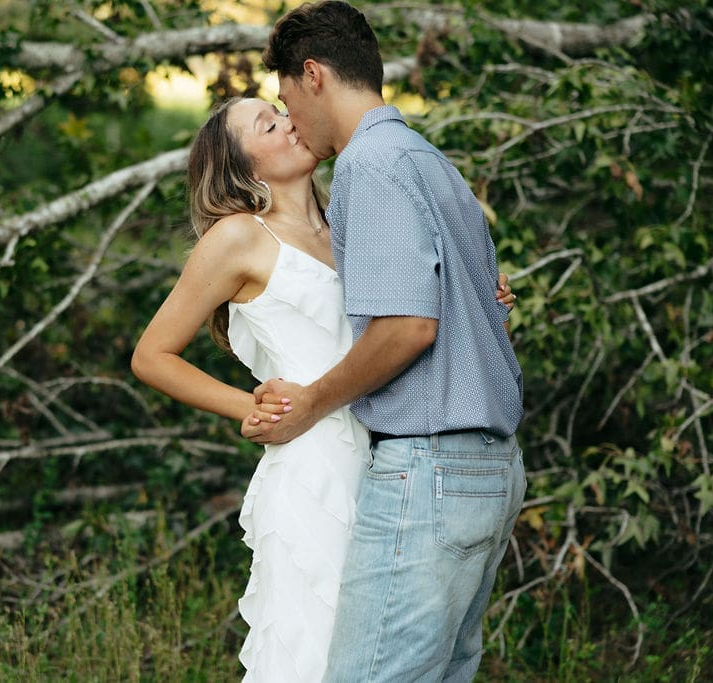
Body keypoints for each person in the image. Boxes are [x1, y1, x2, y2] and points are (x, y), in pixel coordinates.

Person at [131, 95, 515, 681]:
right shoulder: (238, 239)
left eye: (282, 111)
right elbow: (152, 355)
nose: (289, 122)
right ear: (243, 167)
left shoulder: (352, 225)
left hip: (392, 453)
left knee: (402, 655)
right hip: (314, 467)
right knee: (316, 652)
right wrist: (251, 406)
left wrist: (480, 294)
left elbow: (403, 324)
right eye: (269, 123)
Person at [242, 2, 527, 681]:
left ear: (313, 75)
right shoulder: (431, 163)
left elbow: (408, 326)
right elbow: (484, 305)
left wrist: (312, 399)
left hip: (429, 469)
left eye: (286, 99)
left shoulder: (367, 166)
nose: (293, 122)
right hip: (493, 467)